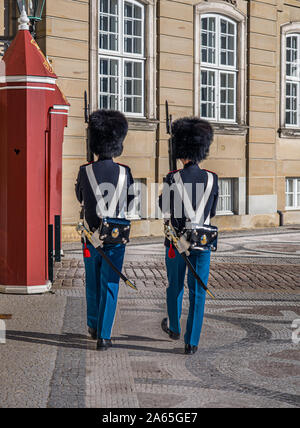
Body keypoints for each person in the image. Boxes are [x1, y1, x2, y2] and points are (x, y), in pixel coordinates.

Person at [75, 109, 134, 351]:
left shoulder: (85, 170)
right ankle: (105, 335)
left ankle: (93, 325)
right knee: (110, 282)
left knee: (92, 282)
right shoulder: (125, 172)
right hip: (116, 238)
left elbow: (80, 197)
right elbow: (130, 201)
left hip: (91, 238)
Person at [159, 117, 219, 355]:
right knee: (198, 292)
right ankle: (191, 341)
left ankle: (174, 327)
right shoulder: (213, 178)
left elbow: (164, 208)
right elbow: (212, 212)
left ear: (181, 150)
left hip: (177, 242)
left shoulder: (173, 177)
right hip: (202, 242)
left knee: (174, 286)